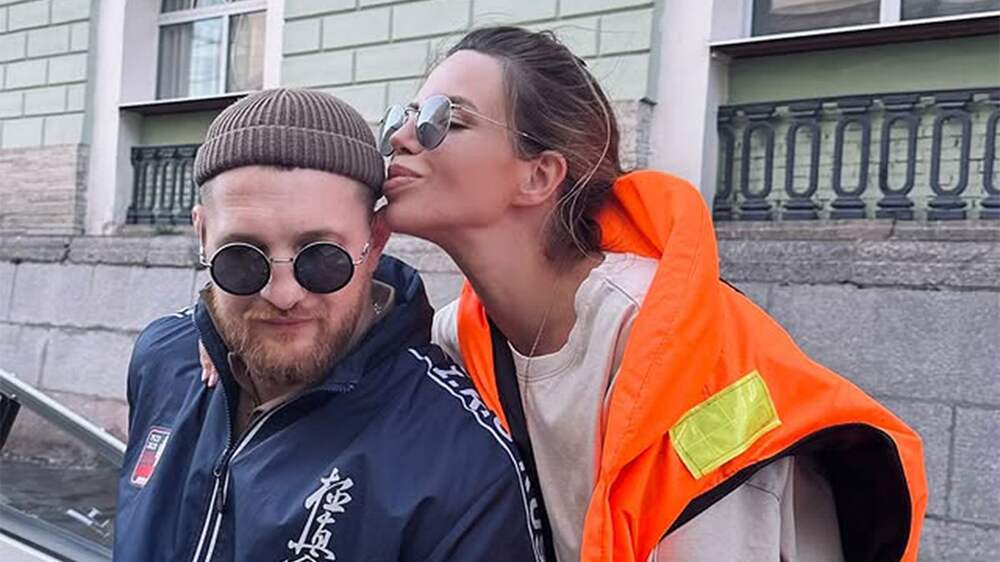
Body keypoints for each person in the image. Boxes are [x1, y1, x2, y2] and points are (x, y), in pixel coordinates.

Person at [378, 27, 928, 562]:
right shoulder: (457, 339)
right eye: (403, 117)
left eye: (443, 120)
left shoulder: (678, 349)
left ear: (539, 176)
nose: (402, 138)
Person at [115, 88, 546, 562]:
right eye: (242, 259)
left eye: (322, 259)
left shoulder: (460, 463)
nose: (283, 295)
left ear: (375, 242)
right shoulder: (164, 358)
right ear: (202, 235)